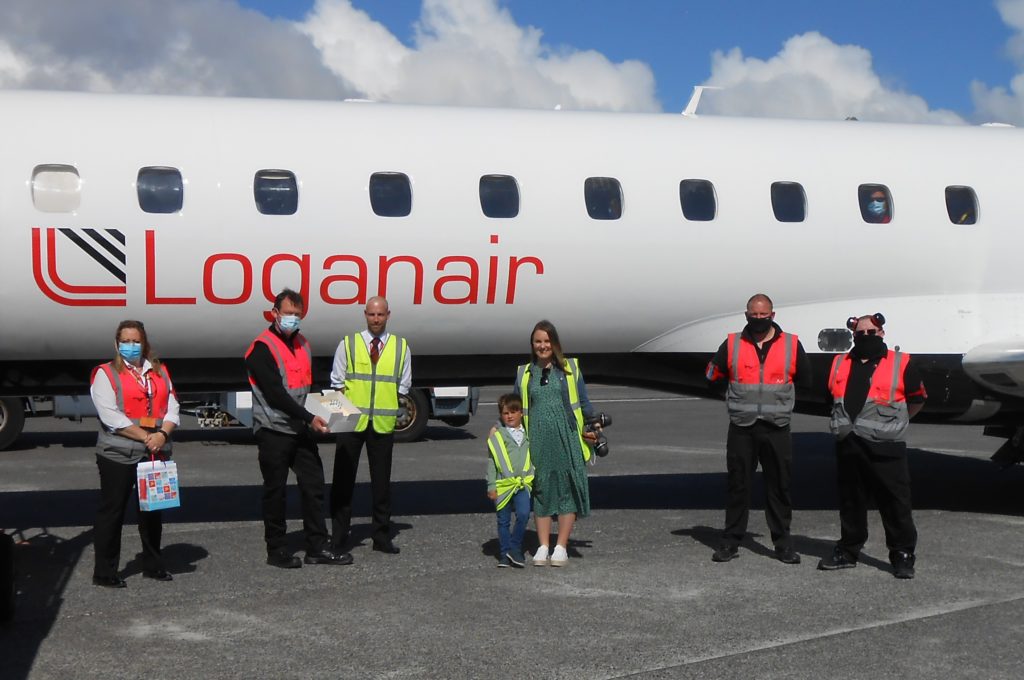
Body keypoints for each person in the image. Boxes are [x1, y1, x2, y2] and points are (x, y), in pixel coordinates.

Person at [245, 289, 352, 569]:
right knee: (275, 491)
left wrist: (333, 409)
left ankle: (317, 546)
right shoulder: (261, 348)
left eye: (297, 314)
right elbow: (275, 394)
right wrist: (308, 417)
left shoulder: (303, 344)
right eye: (287, 313)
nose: (292, 318)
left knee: (313, 485)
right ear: (274, 313)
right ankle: (276, 549)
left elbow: (309, 386)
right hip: (273, 429)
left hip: (300, 428)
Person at [817, 313, 927, 579]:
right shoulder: (839, 363)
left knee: (895, 502)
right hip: (849, 444)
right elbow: (830, 399)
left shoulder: (902, 363)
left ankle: (902, 554)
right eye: (860, 333)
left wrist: (897, 421)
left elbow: (917, 399)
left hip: (885, 447)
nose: (865, 337)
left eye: (871, 332)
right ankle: (848, 550)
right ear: (853, 336)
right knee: (851, 501)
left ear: (882, 334)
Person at [705, 294, 812, 564]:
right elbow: (711, 376)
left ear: (773, 315)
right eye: (754, 315)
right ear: (746, 315)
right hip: (742, 427)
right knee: (738, 485)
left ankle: (783, 543)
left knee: (779, 487)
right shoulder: (732, 344)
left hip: (776, 427)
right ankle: (730, 541)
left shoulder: (791, 344)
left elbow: (806, 378)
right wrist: (731, 399)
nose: (759, 320)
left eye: (764, 316)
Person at [89, 320, 179, 587]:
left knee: (153, 511)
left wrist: (162, 435)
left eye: (136, 341)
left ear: (145, 343)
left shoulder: (160, 371)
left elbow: (172, 406)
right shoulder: (105, 373)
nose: (131, 346)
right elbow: (110, 416)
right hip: (118, 453)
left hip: (153, 452)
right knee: (112, 511)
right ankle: (104, 572)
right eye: (126, 341)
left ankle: (153, 565)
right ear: (117, 344)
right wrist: (147, 437)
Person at [329, 296, 412, 555]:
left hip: (382, 423)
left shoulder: (401, 346)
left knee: (381, 484)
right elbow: (337, 382)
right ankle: (339, 537)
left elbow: (404, 384)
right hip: (350, 421)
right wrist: (345, 415)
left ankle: (381, 537)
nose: (376, 319)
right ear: (365, 314)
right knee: (343, 481)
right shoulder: (348, 343)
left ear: (388, 315)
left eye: (381, 315)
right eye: (372, 314)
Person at [514, 320, 598, 568]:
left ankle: (561, 546)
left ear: (555, 343)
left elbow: (584, 402)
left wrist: (592, 426)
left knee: (566, 490)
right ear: (532, 344)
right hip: (538, 440)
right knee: (541, 490)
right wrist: (499, 427)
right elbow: (515, 408)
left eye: (547, 341)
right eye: (538, 341)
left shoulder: (570, 369)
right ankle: (542, 545)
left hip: (567, 438)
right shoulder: (524, 373)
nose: (542, 346)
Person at [486, 393, 534, 568]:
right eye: (506, 413)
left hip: (522, 483)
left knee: (523, 513)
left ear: (521, 413)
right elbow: (492, 462)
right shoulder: (499, 435)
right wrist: (491, 485)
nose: (510, 416)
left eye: (514, 412)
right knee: (503, 520)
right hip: (503, 484)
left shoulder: (528, 432)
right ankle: (504, 554)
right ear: (501, 415)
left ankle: (515, 547)